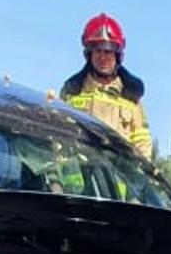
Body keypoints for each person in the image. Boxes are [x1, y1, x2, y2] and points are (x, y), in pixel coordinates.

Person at [61, 13, 153, 159]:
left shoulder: (131, 96)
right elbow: (60, 139)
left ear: (117, 55)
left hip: (118, 177)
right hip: (79, 176)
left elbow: (142, 147)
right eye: (98, 51)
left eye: (108, 51)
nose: (103, 57)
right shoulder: (72, 92)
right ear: (89, 54)